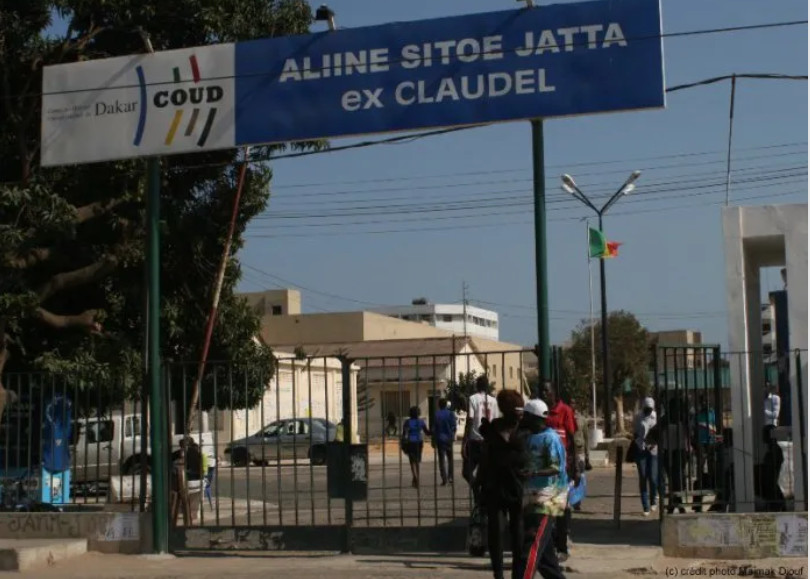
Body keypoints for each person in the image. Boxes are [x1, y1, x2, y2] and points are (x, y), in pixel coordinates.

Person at [475, 390, 526, 579]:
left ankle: (515, 573)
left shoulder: (522, 429)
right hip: (498, 485)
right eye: (517, 410)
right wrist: (479, 482)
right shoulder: (494, 429)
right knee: (498, 530)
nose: (520, 414)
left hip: (514, 484)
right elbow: (485, 457)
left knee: (516, 531)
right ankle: (500, 573)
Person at [515, 399, 567, 579]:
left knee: (531, 546)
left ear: (533, 417)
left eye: (525, 416)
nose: (522, 419)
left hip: (547, 499)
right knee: (546, 559)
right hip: (532, 497)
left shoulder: (550, 438)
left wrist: (534, 472)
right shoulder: (529, 436)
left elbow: (555, 467)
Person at [541, 383, 577, 562]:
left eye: (547, 390)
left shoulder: (565, 411)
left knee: (561, 508)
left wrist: (574, 465)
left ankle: (561, 546)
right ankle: (549, 545)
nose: (544, 393)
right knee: (547, 508)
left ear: (554, 393)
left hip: (561, 469)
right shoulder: (541, 412)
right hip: (544, 469)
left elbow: (571, 438)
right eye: (542, 391)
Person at [463, 375, 499, 499]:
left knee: (467, 472)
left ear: (477, 386)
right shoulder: (494, 401)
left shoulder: (473, 399)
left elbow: (470, 420)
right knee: (486, 472)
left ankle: (477, 494)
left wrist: (464, 441)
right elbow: (495, 421)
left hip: (475, 440)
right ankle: (482, 497)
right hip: (489, 441)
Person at [632, 397, 659, 516]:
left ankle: (653, 499)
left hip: (654, 449)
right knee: (643, 476)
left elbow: (659, 433)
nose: (648, 411)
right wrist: (639, 441)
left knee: (653, 477)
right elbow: (635, 432)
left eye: (650, 409)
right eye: (646, 408)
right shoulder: (638, 416)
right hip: (641, 449)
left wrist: (654, 443)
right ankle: (645, 506)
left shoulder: (656, 417)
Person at [692, 397, 717, 512]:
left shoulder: (713, 413)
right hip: (701, 443)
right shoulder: (697, 415)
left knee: (712, 465)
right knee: (700, 466)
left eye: (706, 402)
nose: (704, 404)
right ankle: (701, 479)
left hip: (711, 442)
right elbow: (693, 428)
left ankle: (711, 480)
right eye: (702, 402)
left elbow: (717, 427)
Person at [570, 398, 591, 512]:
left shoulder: (582, 419)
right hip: (567, 451)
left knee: (580, 476)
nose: (571, 405)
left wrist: (587, 456)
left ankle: (577, 501)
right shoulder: (565, 417)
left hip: (579, 451)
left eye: (573, 403)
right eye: (569, 402)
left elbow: (586, 438)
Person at [402, 406, 431, 488]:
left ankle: (415, 477)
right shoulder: (421, 421)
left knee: (412, 461)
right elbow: (427, 432)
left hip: (411, 442)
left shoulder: (407, 422)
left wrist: (403, 443)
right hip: (419, 441)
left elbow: (404, 434)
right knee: (417, 461)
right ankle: (416, 477)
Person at [434, 398, 457, 485]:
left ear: (439, 405)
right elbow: (454, 426)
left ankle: (444, 479)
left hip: (440, 439)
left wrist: (433, 440)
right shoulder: (450, 413)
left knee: (441, 460)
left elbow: (435, 428)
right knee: (450, 458)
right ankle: (450, 477)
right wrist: (452, 435)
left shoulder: (437, 414)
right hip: (449, 438)